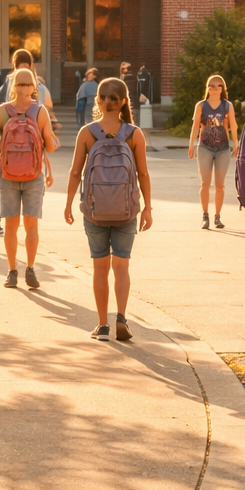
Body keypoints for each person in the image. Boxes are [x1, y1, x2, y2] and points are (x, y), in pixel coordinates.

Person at [64, 77, 152, 342]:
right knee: (122, 267)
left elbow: (75, 172)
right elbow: (143, 174)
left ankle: (102, 326)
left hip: (95, 210)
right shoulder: (134, 134)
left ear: (98, 101)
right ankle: (122, 317)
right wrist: (148, 208)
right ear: (124, 101)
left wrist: (68, 203)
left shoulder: (87, 133)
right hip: (126, 210)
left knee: (100, 267)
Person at [0, 68, 57, 288]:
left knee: (10, 225)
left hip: (8, 174)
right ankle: (30, 269)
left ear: (12, 87)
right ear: (35, 88)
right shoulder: (40, 112)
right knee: (31, 226)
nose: (24, 88)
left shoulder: (1, 112)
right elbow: (49, 148)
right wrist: (50, 140)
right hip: (34, 175)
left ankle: (12, 271)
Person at [188, 73, 239, 230]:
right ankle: (205, 215)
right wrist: (191, 145)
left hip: (223, 148)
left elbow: (233, 125)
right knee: (205, 183)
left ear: (222, 88)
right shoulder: (201, 106)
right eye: (211, 85)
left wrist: (236, 143)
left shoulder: (227, 105)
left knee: (219, 185)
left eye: (217, 85)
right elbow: (196, 126)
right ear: (207, 88)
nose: (214, 88)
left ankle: (217, 216)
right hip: (205, 147)